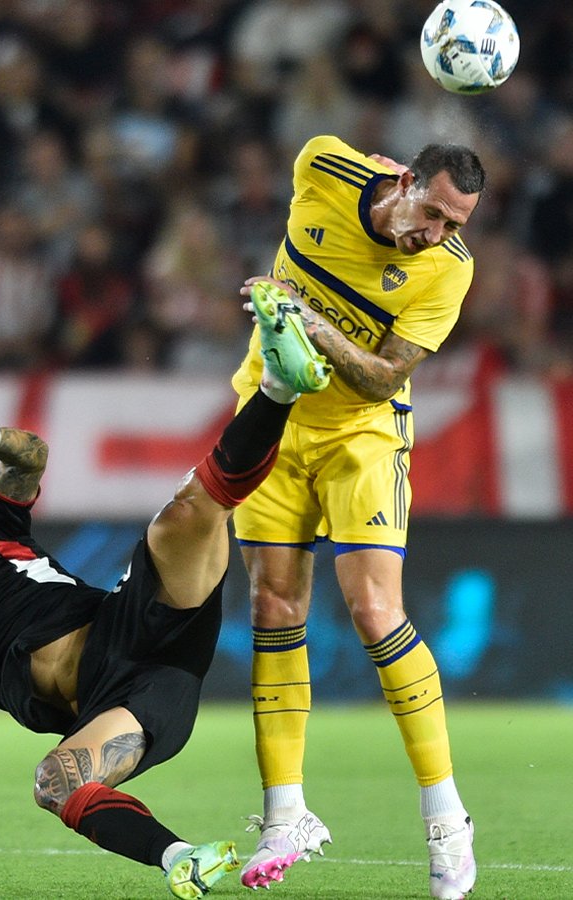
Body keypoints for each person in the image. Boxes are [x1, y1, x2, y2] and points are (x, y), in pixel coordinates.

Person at [0, 286, 325, 898]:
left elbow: (31, 460)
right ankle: (183, 857)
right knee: (53, 783)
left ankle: (280, 387)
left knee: (182, 515)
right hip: (123, 704)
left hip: (131, 623)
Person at [228, 134, 484, 899]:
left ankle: (445, 817)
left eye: (453, 225)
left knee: (375, 611)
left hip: (360, 434)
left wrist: (305, 315)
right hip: (271, 409)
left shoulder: (446, 272)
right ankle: (285, 814)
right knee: (273, 604)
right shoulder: (321, 165)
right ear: (403, 181)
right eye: (431, 212)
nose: (434, 234)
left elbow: (380, 378)